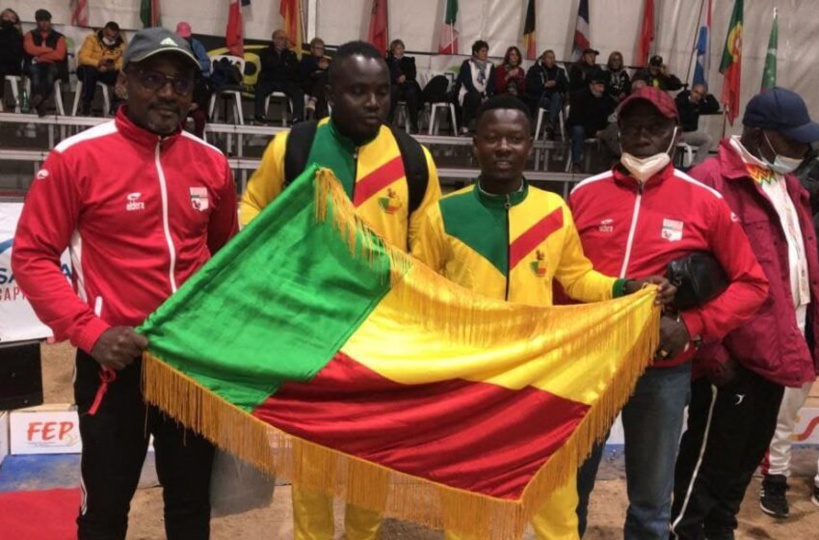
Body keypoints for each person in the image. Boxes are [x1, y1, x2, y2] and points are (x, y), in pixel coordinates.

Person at [411, 94, 675, 540]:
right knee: (469, 502)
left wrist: (622, 287)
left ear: (529, 146)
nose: (502, 148)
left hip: (542, 380)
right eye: (492, 138)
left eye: (514, 139)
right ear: (474, 144)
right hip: (470, 383)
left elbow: (577, 279)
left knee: (556, 505)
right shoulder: (442, 215)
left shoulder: (554, 210)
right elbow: (419, 296)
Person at [11, 27, 238, 539]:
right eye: (152, 78)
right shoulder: (76, 157)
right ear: (122, 83)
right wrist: (91, 333)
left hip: (191, 367)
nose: (168, 92)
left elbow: (226, 261)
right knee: (106, 511)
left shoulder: (213, 164)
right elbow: (31, 256)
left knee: (190, 507)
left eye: (181, 83)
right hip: (113, 366)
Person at [240, 40, 442, 540]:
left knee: (372, 456)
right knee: (313, 457)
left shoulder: (414, 159)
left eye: (381, 92)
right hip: (312, 334)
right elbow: (251, 210)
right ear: (329, 93)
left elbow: (428, 252)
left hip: (383, 336)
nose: (373, 103)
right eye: (357, 92)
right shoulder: (295, 147)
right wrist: (277, 277)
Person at [570, 87, 769, 540]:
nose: (642, 136)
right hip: (588, 364)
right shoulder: (584, 195)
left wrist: (692, 327)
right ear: (617, 132)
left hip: (661, 370)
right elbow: (562, 279)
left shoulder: (705, 201)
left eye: (654, 126)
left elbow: (752, 284)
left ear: (674, 132)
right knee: (568, 493)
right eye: (633, 126)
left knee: (651, 502)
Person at [670, 87, 819, 540]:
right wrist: (712, 353)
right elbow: (688, 279)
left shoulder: (789, 185)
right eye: (791, 141)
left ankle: (720, 531)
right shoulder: (710, 180)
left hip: (780, 345)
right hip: (731, 357)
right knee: (709, 463)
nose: (802, 150)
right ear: (759, 134)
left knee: (741, 465)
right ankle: (687, 532)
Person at [566, 69, 616, 173]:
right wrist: (594, 132)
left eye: (603, 86)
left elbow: (609, 118)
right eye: (600, 86)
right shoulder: (578, 97)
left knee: (612, 132)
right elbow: (576, 119)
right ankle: (576, 163)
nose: (602, 90)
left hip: (599, 129)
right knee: (578, 130)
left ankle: (606, 168)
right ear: (591, 85)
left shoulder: (607, 99)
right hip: (581, 127)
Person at [254, 29, 304, 125]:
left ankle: (297, 118)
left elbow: (294, 69)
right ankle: (260, 116)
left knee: (298, 91)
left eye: (286, 39)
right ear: (274, 40)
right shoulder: (265, 52)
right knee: (260, 89)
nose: (284, 41)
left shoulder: (291, 54)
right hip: (270, 80)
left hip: (285, 81)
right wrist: (283, 65)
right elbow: (268, 65)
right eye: (281, 38)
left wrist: (283, 65)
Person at [76, 21, 126, 116]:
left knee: (123, 75)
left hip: (106, 70)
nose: (110, 39)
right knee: (90, 72)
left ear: (117, 35)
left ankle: (116, 106)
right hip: (88, 68)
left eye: (113, 37)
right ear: (103, 32)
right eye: (108, 35)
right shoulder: (92, 39)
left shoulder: (120, 45)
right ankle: (86, 104)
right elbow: (83, 58)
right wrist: (97, 63)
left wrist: (111, 67)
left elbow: (121, 63)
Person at [23, 9, 66, 116]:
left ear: (50, 21)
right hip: (34, 64)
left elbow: (59, 55)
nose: (44, 23)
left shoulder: (59, 37)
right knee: (36, 72)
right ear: (37, 22)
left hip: (52, 65)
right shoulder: (30, 35)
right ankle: (42, 102)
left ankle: (39, 98)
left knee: (50, 73)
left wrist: (41, 57)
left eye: (47, 20)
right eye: (41, 20)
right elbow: (30, 49)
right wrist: (49, 50)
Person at [175, 21, 211, 138]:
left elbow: (206, 64)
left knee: (200, 117)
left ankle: (198, 141)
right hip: (180, 80)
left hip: (196, 82)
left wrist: (193, 65)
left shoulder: (197, 45)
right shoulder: (172, 45)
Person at [525, 49, 568, 138]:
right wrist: (544, 85)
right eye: (549, 58)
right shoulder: (535, 70)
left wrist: (556, 84)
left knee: (557, 97)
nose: (551, 60)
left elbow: (566, 87)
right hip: (541, 98)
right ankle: (551, 126)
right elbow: (529, 87)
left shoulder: (559, 71)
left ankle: (550, 125)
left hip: (556, 98)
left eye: (553, 58)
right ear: (543, 59)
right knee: (556, 101)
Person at [675, 83, 719, 165]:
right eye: (696, 92)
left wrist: (707, 96)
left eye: (700, 94)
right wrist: (692, 106)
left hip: (689, 134)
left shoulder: (699, 104)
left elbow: (715, 106)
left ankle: (695, 166)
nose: (697, 96)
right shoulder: (679, 101)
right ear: (691, 91)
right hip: (677, 132)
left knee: (708, 140)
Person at [456, 40, 494, 134]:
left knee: (493, 101)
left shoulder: (490, 65)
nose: (485, 54)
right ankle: (465, 125)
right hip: (468, 92)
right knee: (474, 97)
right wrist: (479, 95)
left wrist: (486, 95)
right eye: (482, 51)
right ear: (476, 52)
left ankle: (485, 129)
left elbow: (491, 83)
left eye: (486, 51)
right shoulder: (467, 64)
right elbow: (467, 82)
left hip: (484, 94)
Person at [387, 38, 422, 133]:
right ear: (393, 50)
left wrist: (404, 77)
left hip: (407, 86)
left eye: (402, 48)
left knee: (411, 93)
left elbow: (412, 74)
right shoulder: (388, 61)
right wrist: (396, 79)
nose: (401, 50)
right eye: (398, 48)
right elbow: (385, 75)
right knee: (393, 91)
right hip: (395, 86)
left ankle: (414, 124)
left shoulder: (409, 60)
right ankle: (388, 123)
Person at [300, 37, 330, 119]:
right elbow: (302, 73)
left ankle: (312, 104)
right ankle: (322, 119)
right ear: (312, 49)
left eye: (322, 49)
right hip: (309, 84)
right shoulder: (306, 59)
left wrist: (327, 68)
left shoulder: (327, 61)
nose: (320, 50)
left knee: (322, 81)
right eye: (318, 48)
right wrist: (317, 66)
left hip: (321, 88)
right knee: (321, 79)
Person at [0, 8, 23, 103]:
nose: (9, 20)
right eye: (6, 17)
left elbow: (15, 54)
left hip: (12, 65)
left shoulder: (17, 35)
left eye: (12, 18)